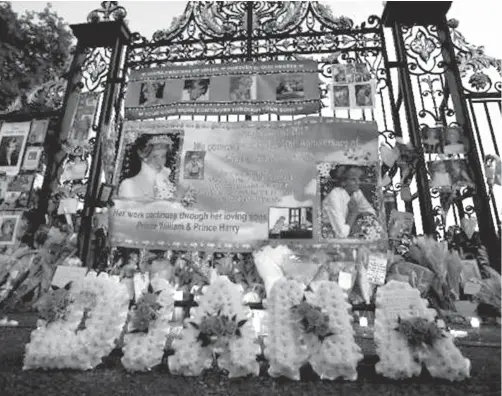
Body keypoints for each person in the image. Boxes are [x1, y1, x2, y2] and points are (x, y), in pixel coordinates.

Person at [118, 134, 176, 200]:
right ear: (144, 157)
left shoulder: (166, 183)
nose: (159, 162)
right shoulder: (128, 184)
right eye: (155, 157)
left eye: (163, 156)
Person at [323, 166, 376, 238]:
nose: (358, 182)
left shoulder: (356, 193)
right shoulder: (335, 195)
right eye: (353, 179)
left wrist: (359, 217)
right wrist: (353, 213)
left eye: (359, 179)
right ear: (343, 182)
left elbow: (371, 213)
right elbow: (341, 234)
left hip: (346, 234)